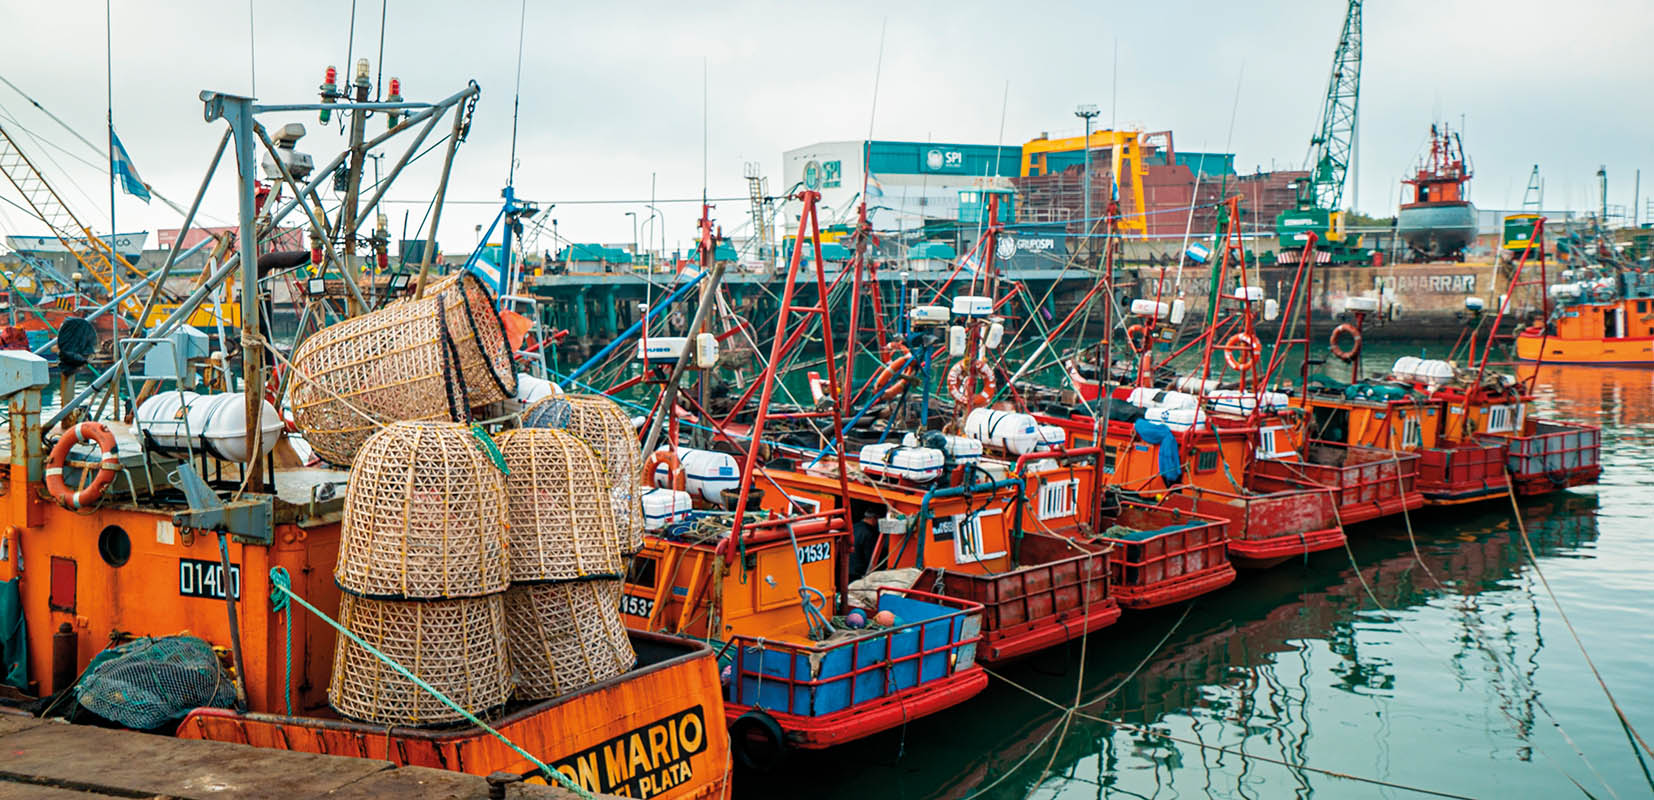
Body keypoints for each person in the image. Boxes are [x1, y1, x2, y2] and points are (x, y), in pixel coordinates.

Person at [849, 506, 882, 580]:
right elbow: (870, 557)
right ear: (874, 518)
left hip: (846, 569)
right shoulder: (869, 534)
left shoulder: (853, 527)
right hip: (858, 573)